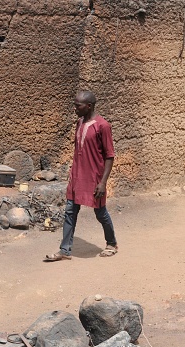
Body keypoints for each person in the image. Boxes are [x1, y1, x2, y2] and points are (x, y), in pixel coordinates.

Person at [45, 90, 118, 261]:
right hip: (77, 177)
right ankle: (64, 250)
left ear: (89, 106)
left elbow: (109, 156)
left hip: (94, 178)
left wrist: (103, 182)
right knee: (70, 211)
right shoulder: (79, 123)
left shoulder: (103, 126)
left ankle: (112, 243)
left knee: (100, 212)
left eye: (78, 106)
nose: (75, 109)